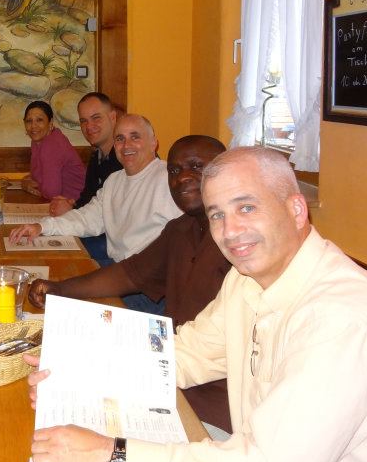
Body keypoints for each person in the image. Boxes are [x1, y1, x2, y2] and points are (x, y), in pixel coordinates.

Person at [27, 146, 367, 462]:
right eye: (217, 215)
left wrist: (109, 456)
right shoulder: (247, 281)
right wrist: (78, 373)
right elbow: (188, 353)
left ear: (296, 209)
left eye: (247, 207)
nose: (231, 231)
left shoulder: (344, 319)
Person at [28, 135, 232, 433]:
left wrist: (87, 365)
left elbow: (200, 354)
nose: (183, 178)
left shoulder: (239, 248)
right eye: (174, 171)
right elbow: (129, 274)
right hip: (165, 381)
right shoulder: (181, 230)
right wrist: (59, 289)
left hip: (210, 413)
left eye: (197, 167)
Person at [10, 113, 180, 313]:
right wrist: (42, 226)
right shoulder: (115, 181)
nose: (126, 145)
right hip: (117, 272)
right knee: (41, 282)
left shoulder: (169, 180)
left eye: (135, 137)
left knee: (61, 309)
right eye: (120, 139)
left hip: (148, 291)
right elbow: (86, 218)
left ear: (154, 143)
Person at [47, 92, 122, 263]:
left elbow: (113, 218)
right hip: (98, 234)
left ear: (112, 117)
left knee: (57, 251)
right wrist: (71, 205)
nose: (89, 126)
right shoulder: (97, 157)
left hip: (116, 246)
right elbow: (87, 201)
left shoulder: (125, 158)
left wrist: (71, 211)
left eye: (96, 118)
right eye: (83, 121)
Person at [21, 100, 86, 201]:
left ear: (50, 123)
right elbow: (35, 176)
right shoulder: (38, 142)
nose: (33, 126)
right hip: (62, 204)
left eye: (39, 120)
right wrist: (25, 182)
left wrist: (27, 185)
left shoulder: (52, 144)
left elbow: (51, 192)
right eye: (29, 121)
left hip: (78, 205)